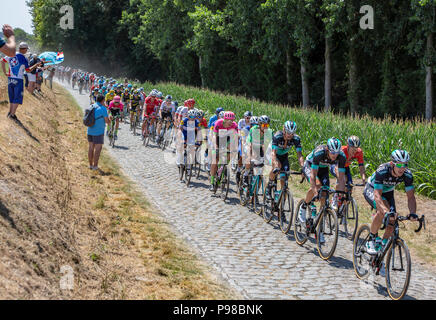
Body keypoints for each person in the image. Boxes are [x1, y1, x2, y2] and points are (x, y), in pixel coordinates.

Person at [363, 150, 417, 255]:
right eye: (400, 164)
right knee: (383, 212)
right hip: (372, 189)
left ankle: (382, 246)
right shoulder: (382, 171)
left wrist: (412, 213)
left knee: (393, 219)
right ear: (392, 164)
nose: (402, 168)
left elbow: (411, 197)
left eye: (405, 164)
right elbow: (377, 195)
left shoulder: (407, 175)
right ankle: (371, 239)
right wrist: (384, 210)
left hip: (388, 192)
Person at [1, 42, 40, 121]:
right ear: (24, 49)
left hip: (10, 79)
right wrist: (36, 65)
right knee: (18, 97)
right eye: (26, 49)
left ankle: (10, 112)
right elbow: (28, 70)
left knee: (12, 97)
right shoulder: (23, 58)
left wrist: (5, 72)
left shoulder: (11, 54)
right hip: (18, 80)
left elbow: (2, 60)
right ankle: (12, 115)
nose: (26, 51)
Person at [265, 121, 304, 197]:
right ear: (284, 130)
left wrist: (303, 167)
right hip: (272, 153)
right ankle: (269, 186)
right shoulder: (278, 136)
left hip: (283, 156)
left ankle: (280, 198)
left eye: (292, 133)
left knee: (284, 177)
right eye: (288, 132)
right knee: (278, 166)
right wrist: (275, 165)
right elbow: (273, 153)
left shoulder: (296, 139)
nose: (290, 135)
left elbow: (299, 155)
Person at [209, 111, 238, 190]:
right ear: (224, 119)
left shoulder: (234, 125)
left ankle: (223, 166)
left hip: (227, 140)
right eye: (229, 120)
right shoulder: (218, 123)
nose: (230, 122)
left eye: (232, 120)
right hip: (217, 139)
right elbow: (214, 136)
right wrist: (215, 146)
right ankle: (212, 182)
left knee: (230, 152)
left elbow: (235, 138)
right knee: (215, 161)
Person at [87, 94, 110, 170]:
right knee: (98, 148)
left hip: (90, 130)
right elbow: (107, 121)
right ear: (103, 101)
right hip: (98, 131)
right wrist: (110, 120)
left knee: (90, 147)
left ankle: (90, 165)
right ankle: (95, 166)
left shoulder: (91, 106)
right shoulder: (103, 109)